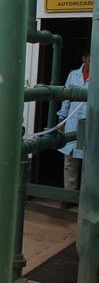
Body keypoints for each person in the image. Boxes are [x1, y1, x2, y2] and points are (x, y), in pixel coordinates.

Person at [57, 49, 90, 209]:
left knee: (88, 161)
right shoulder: (73, 75)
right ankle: (69, 195)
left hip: (90, 124)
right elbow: (66, 97)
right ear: (84, 58)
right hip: (72, 122)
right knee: (70, 160)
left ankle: (86, 197)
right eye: (90, 59)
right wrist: (62, 118)